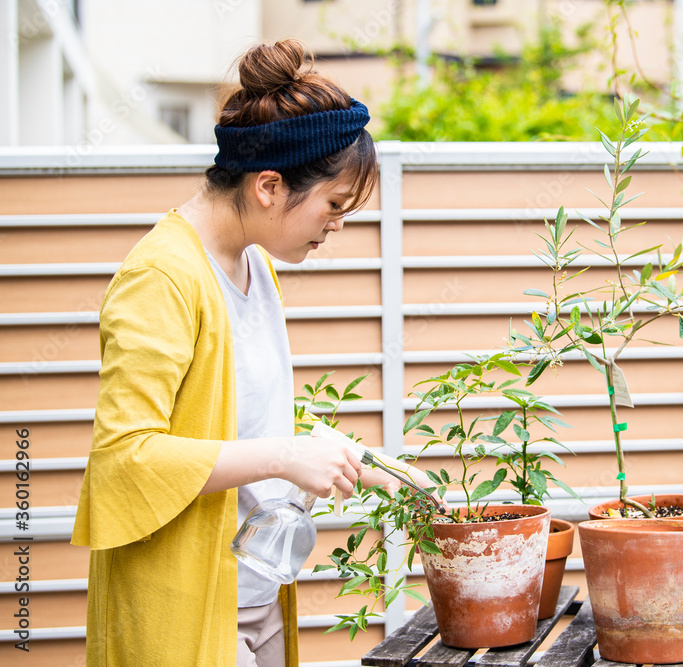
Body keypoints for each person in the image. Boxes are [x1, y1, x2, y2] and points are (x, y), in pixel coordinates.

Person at [71, 40, 431, 666]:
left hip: (256, 594)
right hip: (186, 601)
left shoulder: (251, 264)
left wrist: (366, 464)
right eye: (334, 204)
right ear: (269, 185)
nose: (337, 225)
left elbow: (238, 426)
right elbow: (125, 458)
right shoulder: (162, 278)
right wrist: (290, 456)